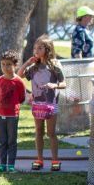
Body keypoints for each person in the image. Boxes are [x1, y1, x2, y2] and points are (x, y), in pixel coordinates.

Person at [20, 36, 66, 172]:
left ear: (48, 49)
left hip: (51, 104)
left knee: (51, 133)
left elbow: (64, 83)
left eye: (40, 48)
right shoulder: (33, 67)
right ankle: (39, 159)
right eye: (35, 48)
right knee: (39, 131)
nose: (36, 50)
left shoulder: (55, 66)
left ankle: (55, 160)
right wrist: (27, 62)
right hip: (38, 104)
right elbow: (19, 75)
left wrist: (54, 85)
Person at [0, 52, 26, 173]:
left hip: (12, 116)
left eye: (8, 64)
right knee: (2, 141)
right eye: (3, 64)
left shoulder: (19, 82)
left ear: (15, 65)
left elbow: (21, 98)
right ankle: (2, 165)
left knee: (12, 141)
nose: (5, 67)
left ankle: (11, 166)